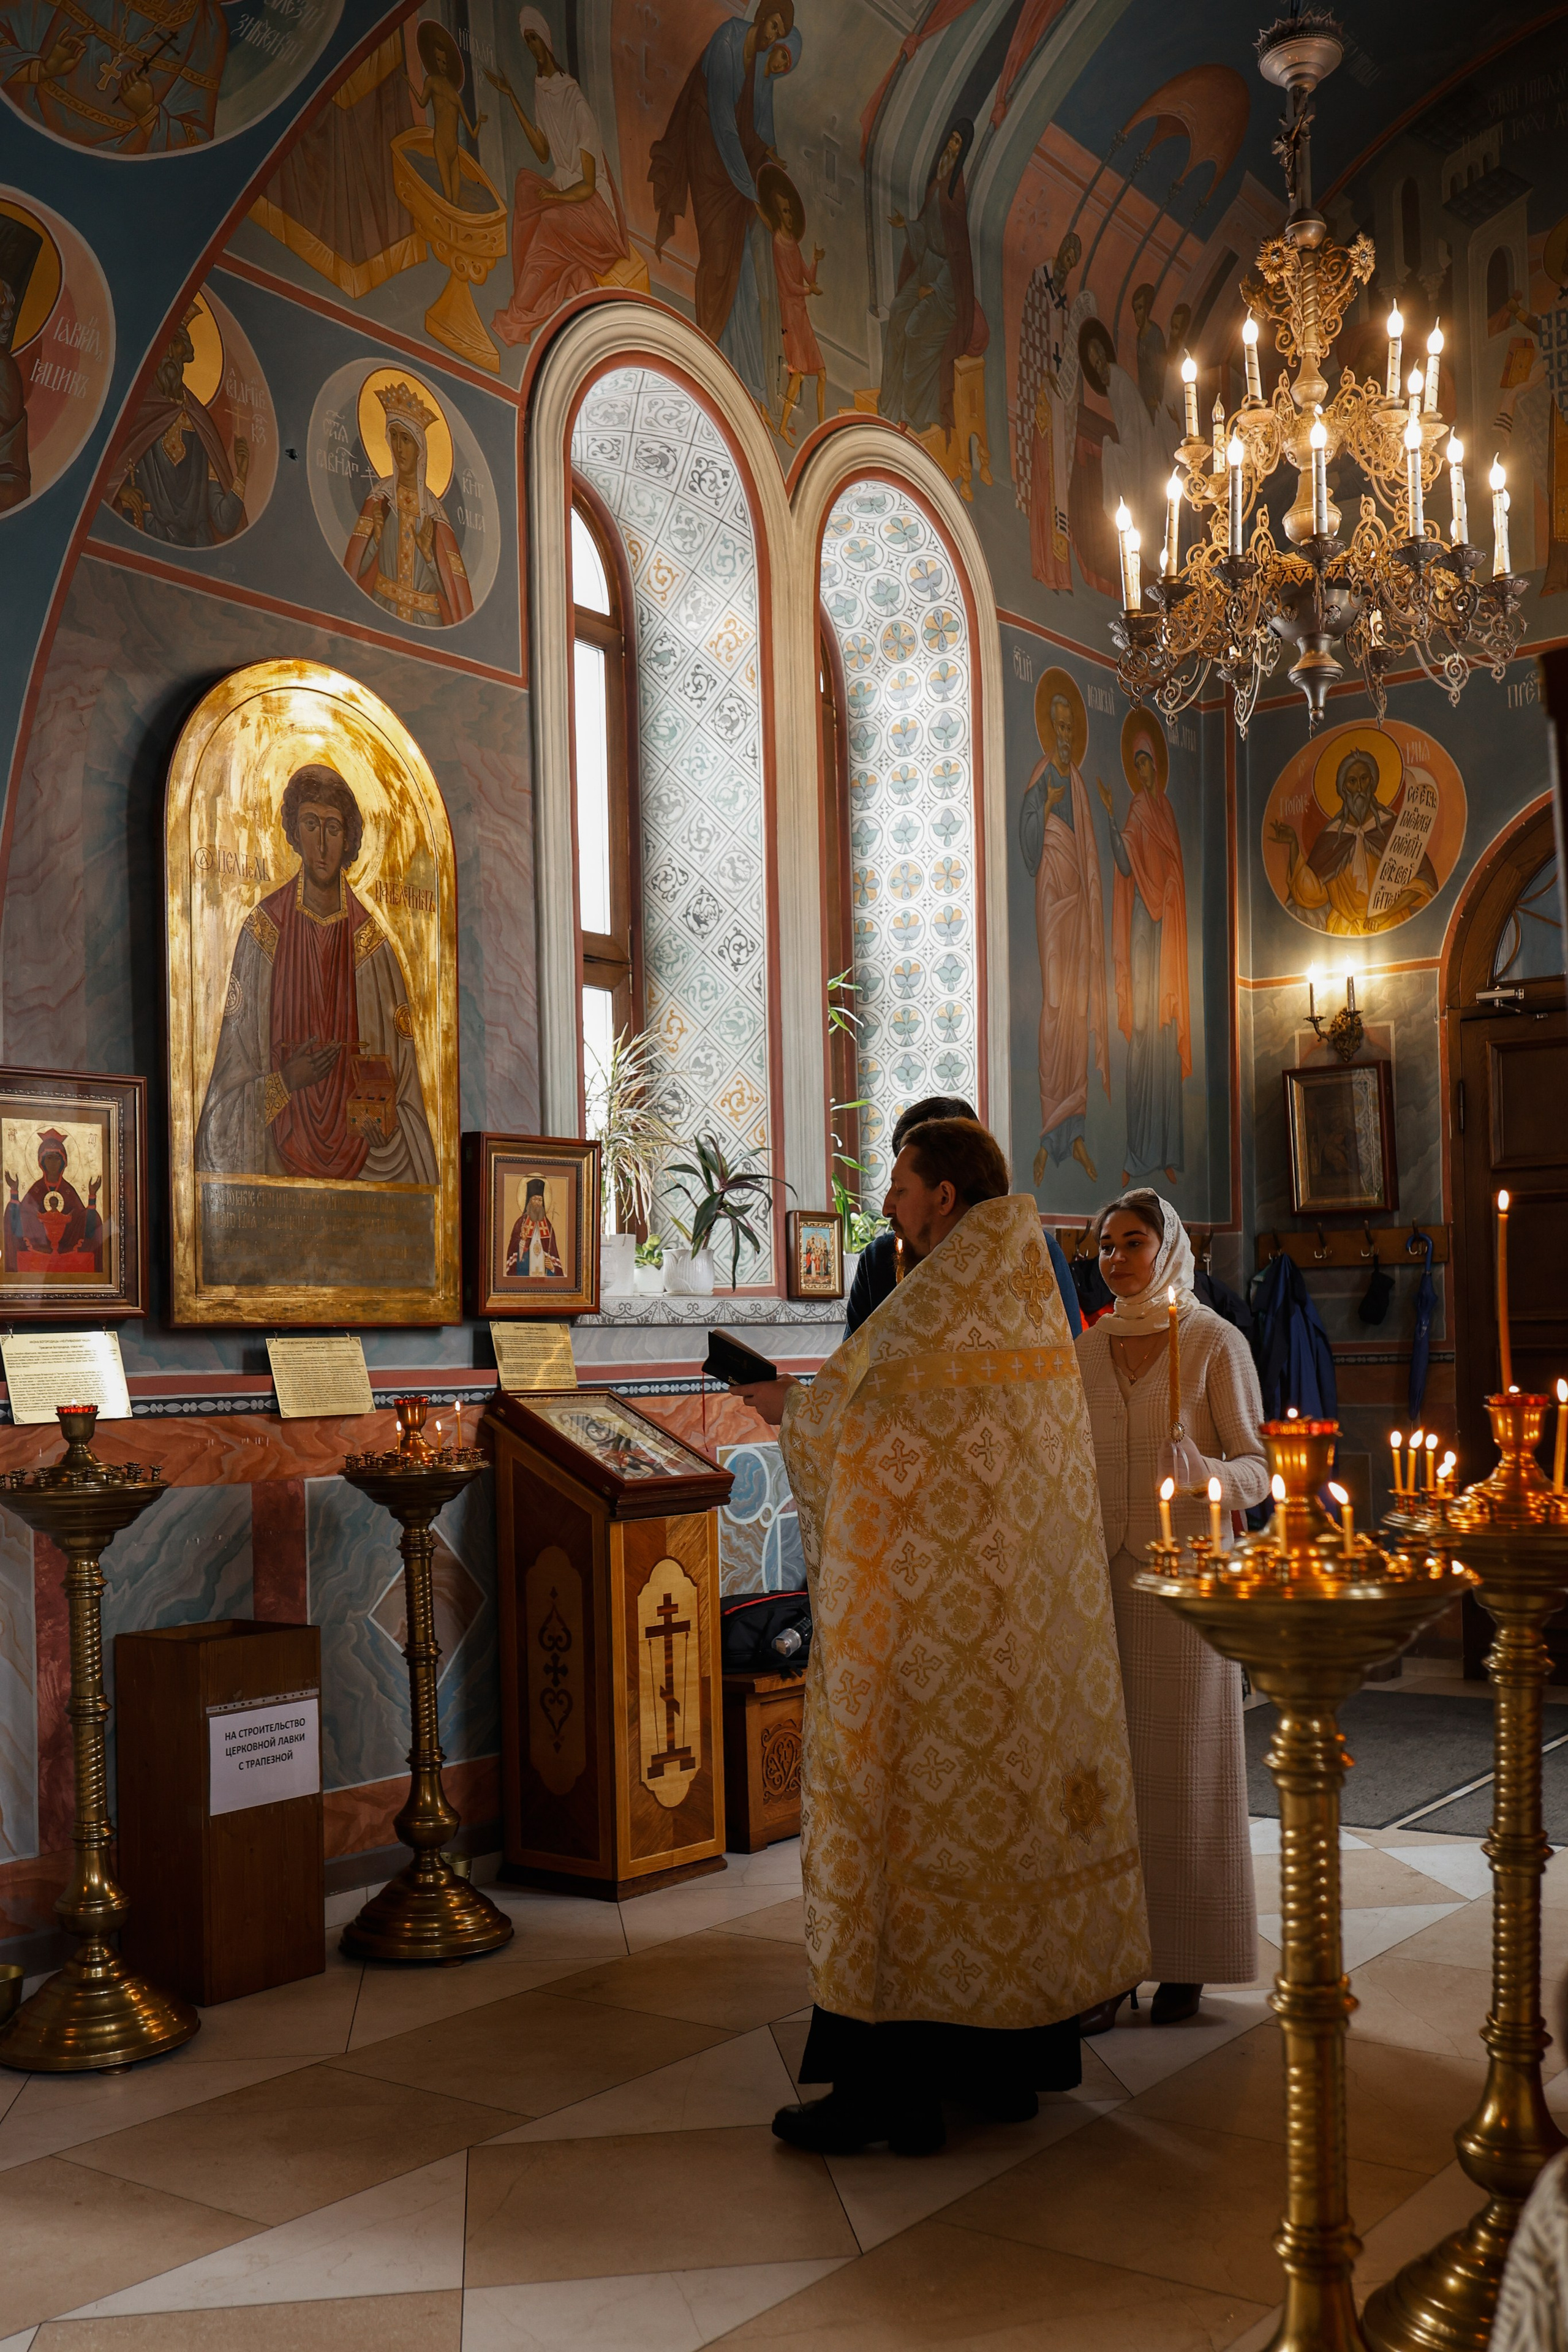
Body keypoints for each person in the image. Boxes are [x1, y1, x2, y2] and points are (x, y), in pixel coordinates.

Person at [739, 1120, 1148, 2155]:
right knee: (1002, 1840)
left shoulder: (940, 1298)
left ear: (946, 1198)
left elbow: (862, 1428)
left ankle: (891, 2096)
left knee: (901, 1846)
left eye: (900, 1184)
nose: (886, 1205)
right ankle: (1004, 2069)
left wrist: (784, 1409)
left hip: (928, 1638)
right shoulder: (1023, 1283)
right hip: (1014, 1638)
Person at [1074, 1189, 1267, 2029]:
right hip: (1101, 1580)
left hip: (1187, 1583)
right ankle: (1114, 1956)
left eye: (1133, 1243)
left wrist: (1210, 1478)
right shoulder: (1086, 1349)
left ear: (1170, 1249)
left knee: (1186, 1771)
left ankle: (1187, 1957)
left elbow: (1260, 1470)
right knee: (1111, 1774)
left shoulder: (1215, 1342)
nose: (1116, 1259)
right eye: (1107, 1246)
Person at [195, 762, 437, 1186]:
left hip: (365, 1168)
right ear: (293, 831)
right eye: (311, 824)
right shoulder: (262, 935)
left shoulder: (374, 949)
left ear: (349, 840)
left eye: (333, 827)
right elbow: (222, 1115)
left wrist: (388, 1127)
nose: (322, 844)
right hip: (276, 1162)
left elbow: (410, 1108)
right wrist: (287, 1081)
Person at [649, 2, 799, 399]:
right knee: (718, 259)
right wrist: (751, 190)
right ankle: (710, 348)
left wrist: (767, 161)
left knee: (745, 274)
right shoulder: (728, 40)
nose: (771, 36)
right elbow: (721, 119)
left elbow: (760, 129)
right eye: (772, 25)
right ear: (761, 15)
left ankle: (745, 375)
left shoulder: (762, 67)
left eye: (778, 32)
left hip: (739, 174)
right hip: (708, 154)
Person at [844, 1093, 1079, 1338]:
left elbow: (1068, 1357)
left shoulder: (1033, 1252)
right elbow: (853, 1366)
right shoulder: (880, 1259)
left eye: (902, 1188)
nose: (888, 1207)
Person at [487, 9, 631, 350]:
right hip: (567, 193)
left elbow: (586, 186)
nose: (532, 47)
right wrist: (512, 97)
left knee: (548, 222)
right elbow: (541, 151)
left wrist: (553, 200)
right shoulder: (542, 90)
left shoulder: (576, 101)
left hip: (596, 210)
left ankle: (521, 312)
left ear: (547, 42)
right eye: (527, 41)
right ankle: (529, 299)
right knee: (525, 193)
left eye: (534, 39)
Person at [1019, 672, 1109, 1186]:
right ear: (1049, 731)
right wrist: (1045, 811)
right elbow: (1032, 844)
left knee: (1075, 1010)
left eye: (1072, 728)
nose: (1068, 736)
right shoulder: (1042, 779)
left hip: (1077, 912)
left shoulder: (1076, 782)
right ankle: (1050, 1128)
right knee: (1054, 1005)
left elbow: (1091, 855)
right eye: (1060, 728)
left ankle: (1072, 1131)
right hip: (1053, 902)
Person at [1098, 717, 1189, 1185]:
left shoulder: (1169, 813)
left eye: (1148, 763)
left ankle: (1168, 1153)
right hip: (1141, 928)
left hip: (1166, 930)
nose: (1145, 771)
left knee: (1165, 1043)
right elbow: (1123, 861)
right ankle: (1137, 1154)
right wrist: (1114, 820)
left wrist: (1170, 887)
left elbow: (1176, 869)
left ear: (1157, 768)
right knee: (1140, 1035)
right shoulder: (1136, 810)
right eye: (1138, 765)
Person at [111, 306, 250, 548]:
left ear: (185, 351)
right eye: (161, 345)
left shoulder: (199, 423)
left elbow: (223, 521)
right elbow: (103, 469)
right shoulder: (136, 410)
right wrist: (120, 491)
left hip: (195, 548)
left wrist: (241, 474)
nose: (167, 354)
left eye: (174, 343)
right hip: (143, 537)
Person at [879, 119, 982, 437]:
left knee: (913, 331)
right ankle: (889, 404)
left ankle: (911, 415)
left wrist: (934, 290)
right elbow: (927, 231)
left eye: (957, 145)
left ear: (962, 153)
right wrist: (906, 226)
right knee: (897, 313)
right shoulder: (936, 185)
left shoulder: (956, 196)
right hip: (927, 269)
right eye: (950, 141)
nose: (951, 148)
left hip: (945, 290)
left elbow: (959, 256)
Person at [344, 378, 473, 630]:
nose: (398, 448)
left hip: (426, 622)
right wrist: (376, 541)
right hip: (380, 611)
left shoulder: (435, 514)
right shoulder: (379, 499)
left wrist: (430, 558)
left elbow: (452, 591)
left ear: (419, 449)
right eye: (393, 436)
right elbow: (353, 570)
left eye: (406, 439)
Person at [758, 160, 823, 442]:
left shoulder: (793, 243)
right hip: (791, 316)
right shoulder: (778, 243)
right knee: (797, 376)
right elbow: (789, 285)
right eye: (785, 211)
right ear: (778, 213)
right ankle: (784, 426)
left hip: (802, 315)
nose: (789, 216)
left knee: (821, 373)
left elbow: (806, 277)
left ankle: (822, 430)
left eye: (790, 211)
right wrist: (811, 292)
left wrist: (815, 262)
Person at [4, 1128, 101, 1273]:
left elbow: (82, 1220)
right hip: (38, 1251)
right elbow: (20, 1219)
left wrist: (92, 1196)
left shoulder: (68, 1190)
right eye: (49, 1158)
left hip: (66, 1250)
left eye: (57, 1158)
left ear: (64, 1162)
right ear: (41, 1161)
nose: (53, 1163)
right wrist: (14, 1191)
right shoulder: (36, 1189)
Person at [507, 1175, 563, 1276]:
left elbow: (554, 1254)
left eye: (540, 1200)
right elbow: (513, 1256)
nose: (538, 1203)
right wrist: (523, 1241)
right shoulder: (521, 1223)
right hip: (524, 1276)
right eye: (535, 1199)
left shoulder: (548, 1226)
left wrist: (552, 1267)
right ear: (529, 1201)